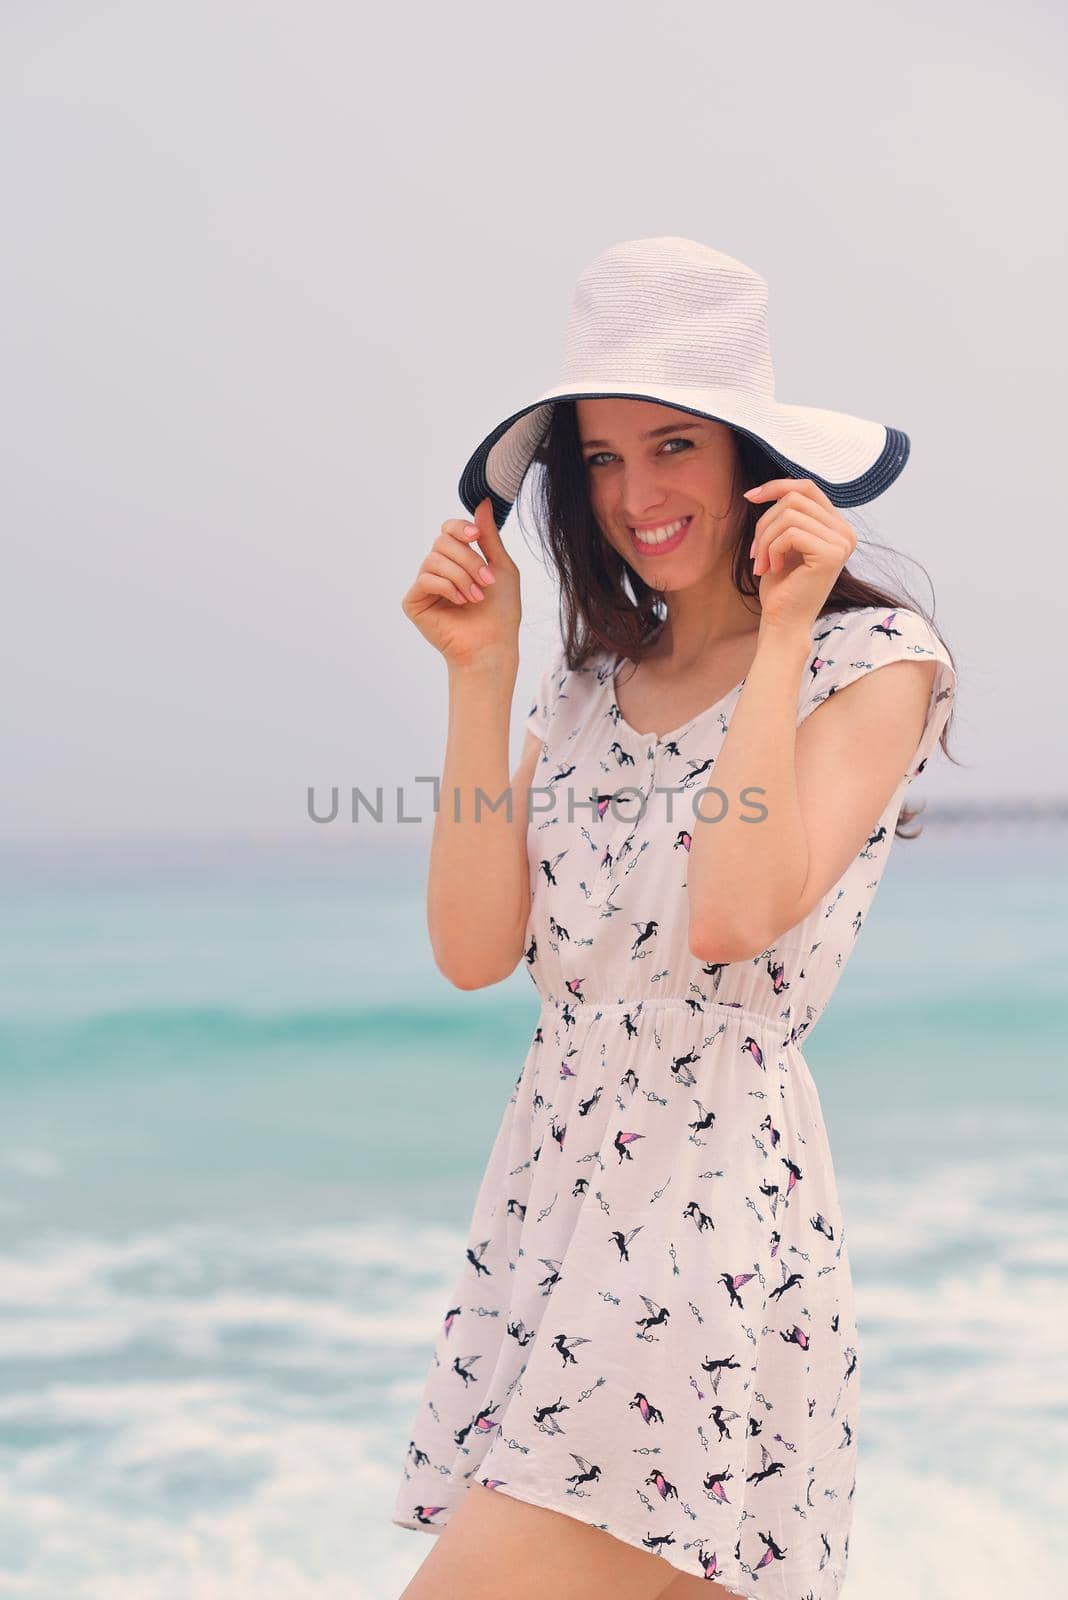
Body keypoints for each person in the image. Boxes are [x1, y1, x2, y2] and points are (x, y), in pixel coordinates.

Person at [393, 238, 959, 1600]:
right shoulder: (591, 683)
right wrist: (486, 674)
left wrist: (778, 637)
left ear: (749, 455)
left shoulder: (870, 664)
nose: (635, 494)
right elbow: (477, 953)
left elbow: (735, 912)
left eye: (670, 447)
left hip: (704, 1221)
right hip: (557, 1208)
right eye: (599, 458)